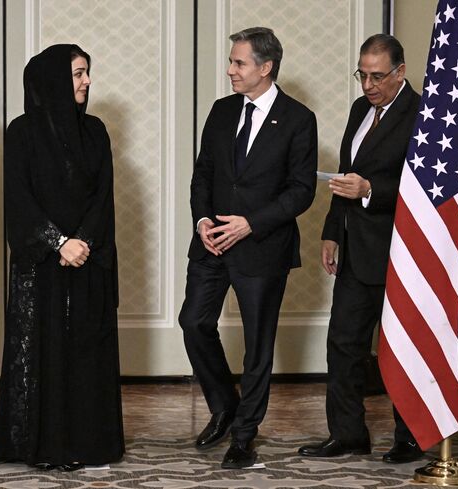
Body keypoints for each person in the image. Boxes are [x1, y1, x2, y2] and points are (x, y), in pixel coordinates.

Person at [178, 27, 317, 469]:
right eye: (232, 61)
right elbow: (204, 174)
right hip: (212, 242)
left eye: (239, 63)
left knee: (258, 346)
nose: (230, 70)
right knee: (193, 321)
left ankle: (243, 436)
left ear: (265, 67)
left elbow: (301, 192)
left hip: (262, 248)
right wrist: (202, 219)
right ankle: (224, 406)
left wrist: (251, 224)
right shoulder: (221, 111)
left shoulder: (298, 119)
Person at [0, 44, 124, 471]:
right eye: (78, 74)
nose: (87, 81)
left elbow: (104, 196)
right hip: (42, 264)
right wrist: (57, 242)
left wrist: (82, 241)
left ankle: (87, 444)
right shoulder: (22, 132)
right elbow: (19, 198)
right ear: (52, 80)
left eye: (87, 72)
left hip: (88, 259)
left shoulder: (96, 131)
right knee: (43, 349)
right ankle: (42, 446)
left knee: (86, 347)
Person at [298, 34, 423, 464]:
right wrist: (332, 230)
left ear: (400, 72)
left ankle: (411, 436)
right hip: (354, 248)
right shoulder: (360, 110)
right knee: (344, 343)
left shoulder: (422, 114)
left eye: (377, 76)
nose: (368, 85)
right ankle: (348, 434)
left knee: (401, 348)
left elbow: (427, 188)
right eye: (362, 75)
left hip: (402, 251)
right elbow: (347, 175)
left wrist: (371, 189)